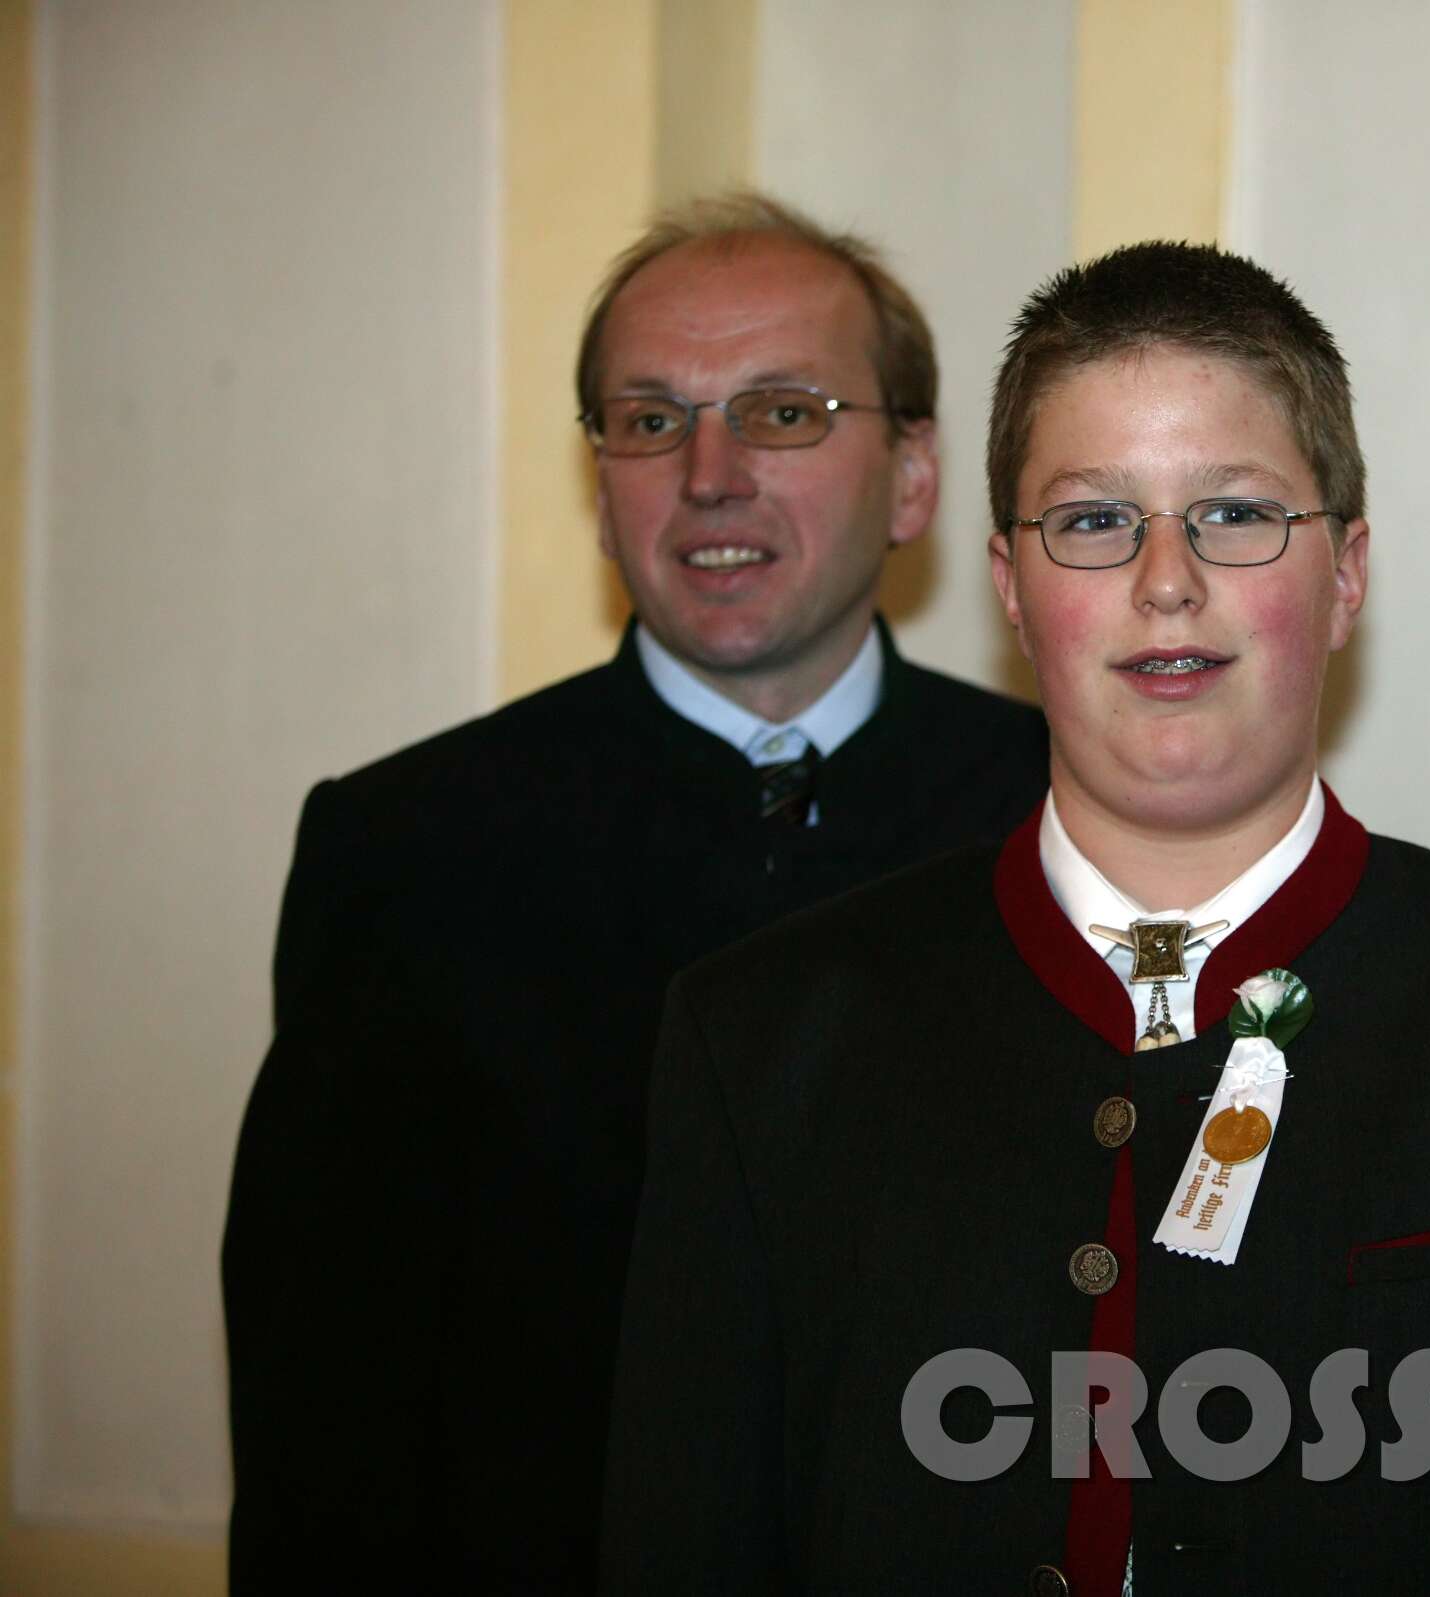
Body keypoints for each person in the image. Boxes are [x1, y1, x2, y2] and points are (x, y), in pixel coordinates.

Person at [601, 241, 1430, 1592]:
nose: (1167, 579)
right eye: (1095, 521)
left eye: (1233, 513)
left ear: (1346, 574)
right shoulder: (764, 1044)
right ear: (1010, 586)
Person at [220, 192, 1049, 1593]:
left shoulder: (1071, 819)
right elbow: (328, 1406)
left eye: (782, 412)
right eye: (652, 420)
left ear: (913, 477)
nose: (710, 474)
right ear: (602, 489)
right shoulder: (410, 850)